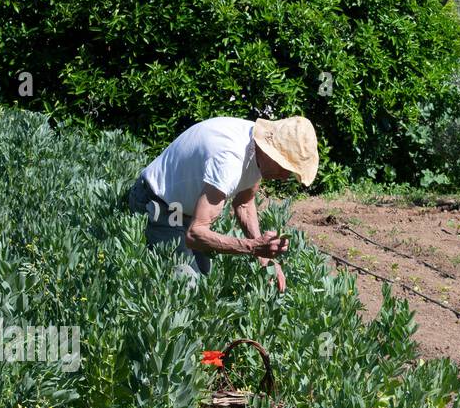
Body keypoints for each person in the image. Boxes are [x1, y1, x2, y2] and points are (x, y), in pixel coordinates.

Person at [126, 116, 318, 291]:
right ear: (271, 151)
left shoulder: (257, 147)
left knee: (207, 282)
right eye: (285, 167)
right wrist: (253, 247)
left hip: (188, 213)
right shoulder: (230, 160)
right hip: (158, 203)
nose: (285, 177)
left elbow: (244, 204)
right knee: (189, 290)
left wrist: (264, 257)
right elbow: (195, 234)